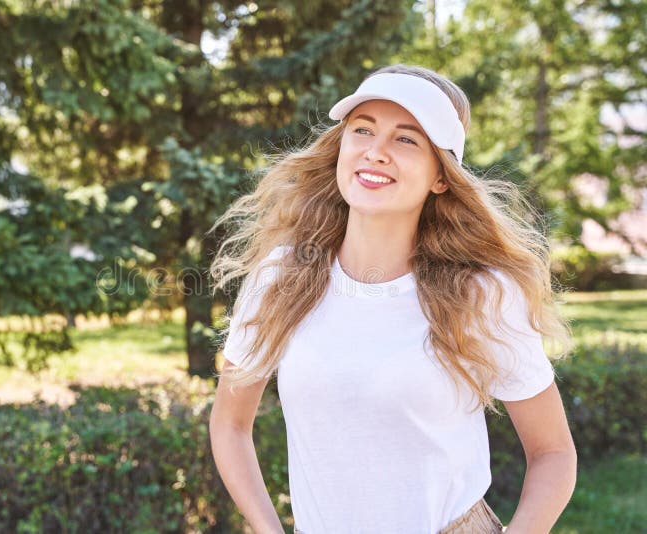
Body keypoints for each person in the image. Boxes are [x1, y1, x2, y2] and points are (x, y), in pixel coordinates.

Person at [207, 64, 577, 534]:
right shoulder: (281, 276)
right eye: (363, 130)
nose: (376, 152)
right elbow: (230, 425)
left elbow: (553, 453)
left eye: (406, 139)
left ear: (440, 176)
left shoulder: (481, 293)